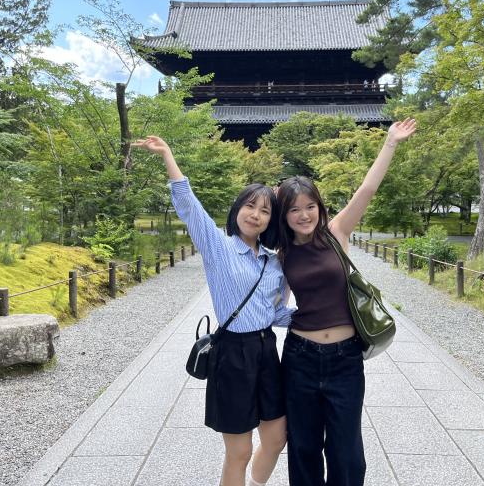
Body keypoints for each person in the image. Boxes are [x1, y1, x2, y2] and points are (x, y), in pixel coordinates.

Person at [132, 136, 292, 486]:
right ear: (237, 210)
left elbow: (278, 312)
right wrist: (167, 154)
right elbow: (189, 207)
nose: (256, 215)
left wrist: (321, 319)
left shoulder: (273, 262)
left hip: (267, 351)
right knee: (239, 451)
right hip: (233, 355)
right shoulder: (218, 248)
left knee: (278, 438)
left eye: (265, 210)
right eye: (250, 206)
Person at [275, 118, 417, 486]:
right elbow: (272, 304)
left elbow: (367, 190)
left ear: (319, 207)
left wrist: (390, 143)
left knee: (347, 451)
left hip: (345, 360)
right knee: (303, 447)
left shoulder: (336, 233)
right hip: (300, 358)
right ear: (284, 216)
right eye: (294, 210)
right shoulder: (282, 254)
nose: (304, 215)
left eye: (310, 206)